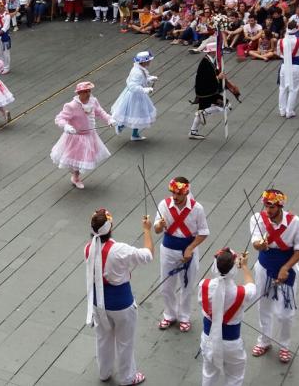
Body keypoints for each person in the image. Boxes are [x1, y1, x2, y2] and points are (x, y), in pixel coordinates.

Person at [84, 208, 153, 386]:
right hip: (122, 304)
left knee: (103, 337)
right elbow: (148, 255)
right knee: (125, 342)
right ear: (110, 227)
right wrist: (147, 230)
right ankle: (127, 377)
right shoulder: (119, 250)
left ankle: (104, 372)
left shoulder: (89, 248)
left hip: (98, 303)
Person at [249, 189, 299, 364]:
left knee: (286, 314)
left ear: (280, 206)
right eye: (266, 205)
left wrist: (286, 268)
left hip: (286, 268)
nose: (268, 210)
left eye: (272, 206)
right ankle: (264, 340)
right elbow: (256, 244)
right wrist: (261, 244)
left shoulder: (295, 222)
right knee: (264, 306)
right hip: (264, 267)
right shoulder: (257, 219)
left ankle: (284, 345)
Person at [154, 176, 209, 333]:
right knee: (166, 285)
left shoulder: (197, 208)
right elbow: (157, 230)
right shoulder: (164, 205)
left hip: (188, 251)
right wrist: (159, 225)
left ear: (186, 193)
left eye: (179, 194)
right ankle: (169, 314)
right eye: (173, 193)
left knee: (187, 285)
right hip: (168, 250)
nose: (175, 197)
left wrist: (191, 248)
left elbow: (204, 232)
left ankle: (184, 316)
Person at [199, 248, 256, 386]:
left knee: (208, 374)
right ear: (233, 269)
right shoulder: (242, 293)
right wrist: (244, 267)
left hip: (209, 338)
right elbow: (251, 285)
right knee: (235, 378)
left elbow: (201, 302)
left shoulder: (204, 285)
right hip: (231, 343)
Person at [50, 81, 115, 189]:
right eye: (85, 91)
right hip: (76, 136)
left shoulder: (93, 101)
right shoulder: (71, 106)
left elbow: (100, 112)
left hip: (90, 135)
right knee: (76, 158)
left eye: (89, 91)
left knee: (85, 157)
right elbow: (59, 118)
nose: (88, 93)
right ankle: (75, 177)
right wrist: (66, 126)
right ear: (79, 93)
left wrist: (109, 119)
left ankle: (76, 176)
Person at [111, 51, 158, 141]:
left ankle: (135, 134)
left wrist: (150, 78)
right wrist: (146, 89)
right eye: (149, 60)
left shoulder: (140, 69)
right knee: (132, 113)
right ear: (144, 61)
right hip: (134, 96)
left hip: (139, 95)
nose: (150, 62)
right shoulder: (137, 72)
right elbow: (133, 86)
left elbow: (143, 79)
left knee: (139, 114)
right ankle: (120, 125)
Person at [189, 54, 232, 140]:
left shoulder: (210, 60)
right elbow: (206, 78)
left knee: (201, 109)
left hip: (207, 91)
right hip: (206, 92)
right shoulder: (205, 62)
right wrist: (218, 77)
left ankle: (193, 131)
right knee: (226, 104)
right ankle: (205, 113)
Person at [277, 22, 299, 119]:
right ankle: (289, 111)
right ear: (297, 29)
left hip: (284, 66)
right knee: (293, 89)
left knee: (282, 88)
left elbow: (279, 53)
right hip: (295, 66)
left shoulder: (281, 41)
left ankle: (282, 110)